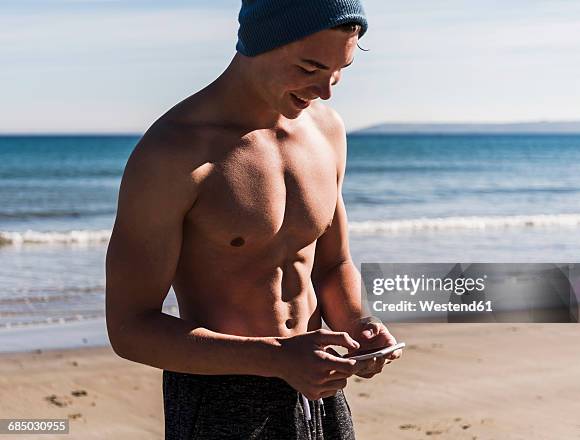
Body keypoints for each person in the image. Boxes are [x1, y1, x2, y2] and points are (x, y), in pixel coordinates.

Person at [105, 1, 402, 438]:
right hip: (220, 400)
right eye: (309, 68)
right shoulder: (173, 153)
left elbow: (331, 264)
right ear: (260, 42)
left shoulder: (327, 131)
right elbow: (130, 328)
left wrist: (358, 325)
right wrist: (278, 356)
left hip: (319, 386)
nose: (326, 90)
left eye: (340, 70)